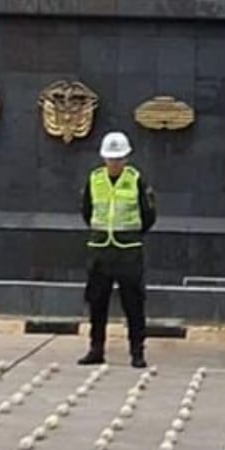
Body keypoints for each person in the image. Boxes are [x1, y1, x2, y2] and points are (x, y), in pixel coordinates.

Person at [80, 131, 156, 368]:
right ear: (104, 158)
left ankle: (137, 351)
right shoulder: (94, 179)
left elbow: (148, 214)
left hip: (128, 251)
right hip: (100, 251)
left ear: (126, 158)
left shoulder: (136, 180)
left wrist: (131, 234)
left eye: (119, 158)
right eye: (111, 158)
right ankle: (96, 348)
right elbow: (86, 210)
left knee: (133, 303)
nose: (114, 163)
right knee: (97, 301)